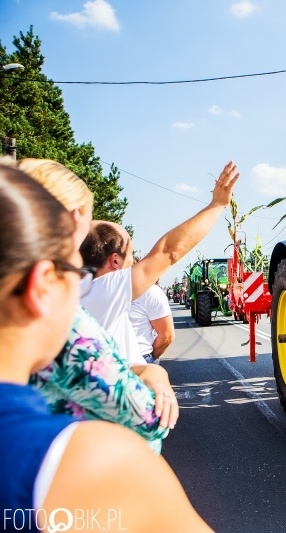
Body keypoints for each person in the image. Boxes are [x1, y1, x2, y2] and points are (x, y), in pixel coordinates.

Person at [0, 162, 211, 531]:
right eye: (75, 273)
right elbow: (145, 418)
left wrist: (147, 368)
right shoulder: (94, 461)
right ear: (42, 287)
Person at [17, 158, 177, 453]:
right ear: (75, 217)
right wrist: (152, 373)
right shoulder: (61, 320)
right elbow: (148, 418)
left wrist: (143, 369)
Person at [80, 161, 239, 364]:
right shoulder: (104, 290)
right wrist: (217, 205)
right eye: (131, 254)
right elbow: (168, 251)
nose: (135, 261)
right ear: (115, 260)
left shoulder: (72, 291)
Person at [130, 275, 175, 365]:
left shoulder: (151, 292)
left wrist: (149, 358)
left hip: (139, 360)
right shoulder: (103, 287)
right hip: (105, 361)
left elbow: (167, 336)